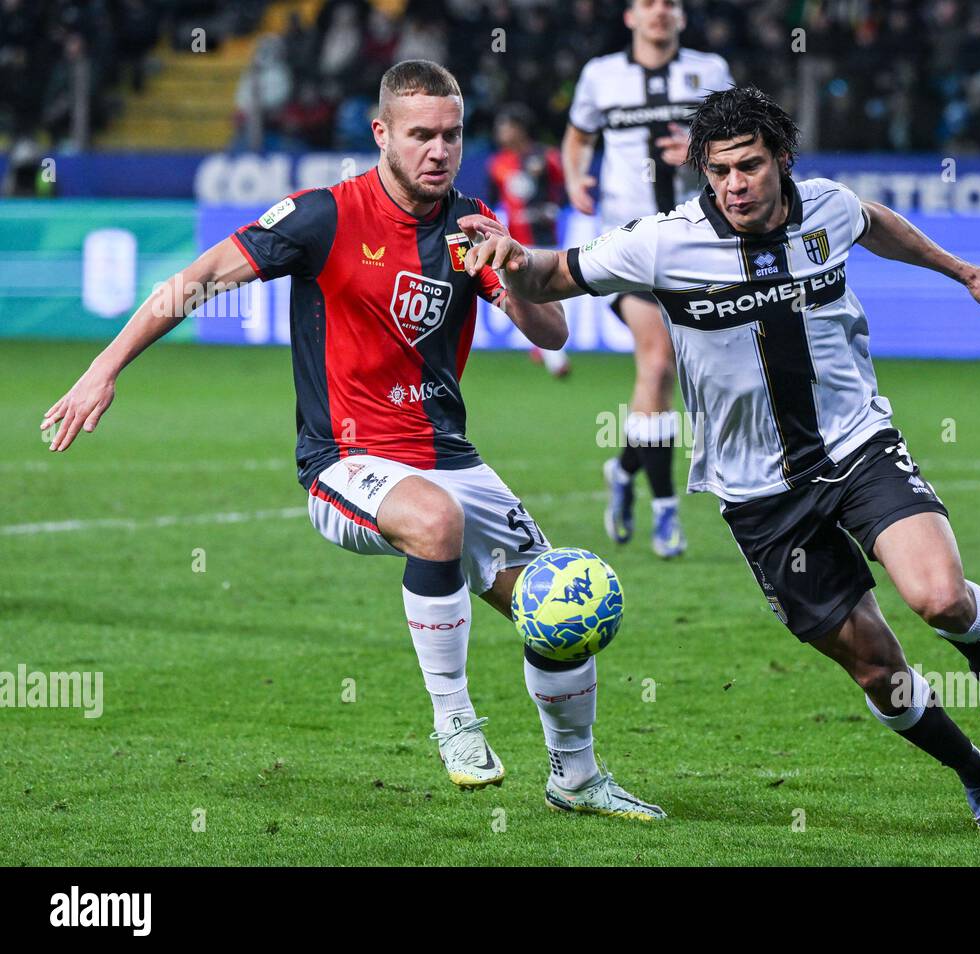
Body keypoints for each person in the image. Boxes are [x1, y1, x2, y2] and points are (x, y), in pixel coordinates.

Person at [40, 59, 664, 822]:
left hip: (449, 455)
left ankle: (577, 778)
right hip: (346, 459)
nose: (439, 150)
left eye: (452, 135)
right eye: (421, 135)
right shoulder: (324, 216)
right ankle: (455, 722)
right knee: (434, 522)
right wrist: (103, 370)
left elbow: (552, 330)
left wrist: (510, 265)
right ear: (381, 134)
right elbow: (196, 278)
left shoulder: (471, 224)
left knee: (562, 605)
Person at [458, 86, 980, 835]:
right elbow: (551, 276)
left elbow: (877, 225)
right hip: (758, 495)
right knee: (879, 670)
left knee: (940, 598)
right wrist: (511, 260)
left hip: (856, 446)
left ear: (782, 160)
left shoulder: (829, 207)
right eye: (718, 172)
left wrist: (965, 271)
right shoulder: (664, 242)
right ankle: (979, 773)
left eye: (749, 166)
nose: (734, 185)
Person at [564, 0, 733, 558]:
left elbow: (735, 144)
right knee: (655, 362)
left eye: (670, 4)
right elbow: (578, 136)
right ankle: (665, 513)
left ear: (682, 17)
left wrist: (695, 151)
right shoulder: (600, 76)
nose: (660, 12)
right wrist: (573, 178)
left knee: (681, 382)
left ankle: (624, 467)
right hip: (629, 242)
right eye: (648, 4)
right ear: (630, 17)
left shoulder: (710, 72)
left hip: (698, 242)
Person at [487, 103, 571, 378]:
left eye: (505, 126)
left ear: (519, 129)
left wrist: (550, 208)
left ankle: (553, 356)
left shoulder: (546, 157)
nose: (501, 132)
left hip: (544, 239)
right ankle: (547, 350)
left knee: (545, 294)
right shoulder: (497, 164)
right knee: (526, 295)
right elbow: (495, 200)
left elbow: (562, 189)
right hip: (516, 241)